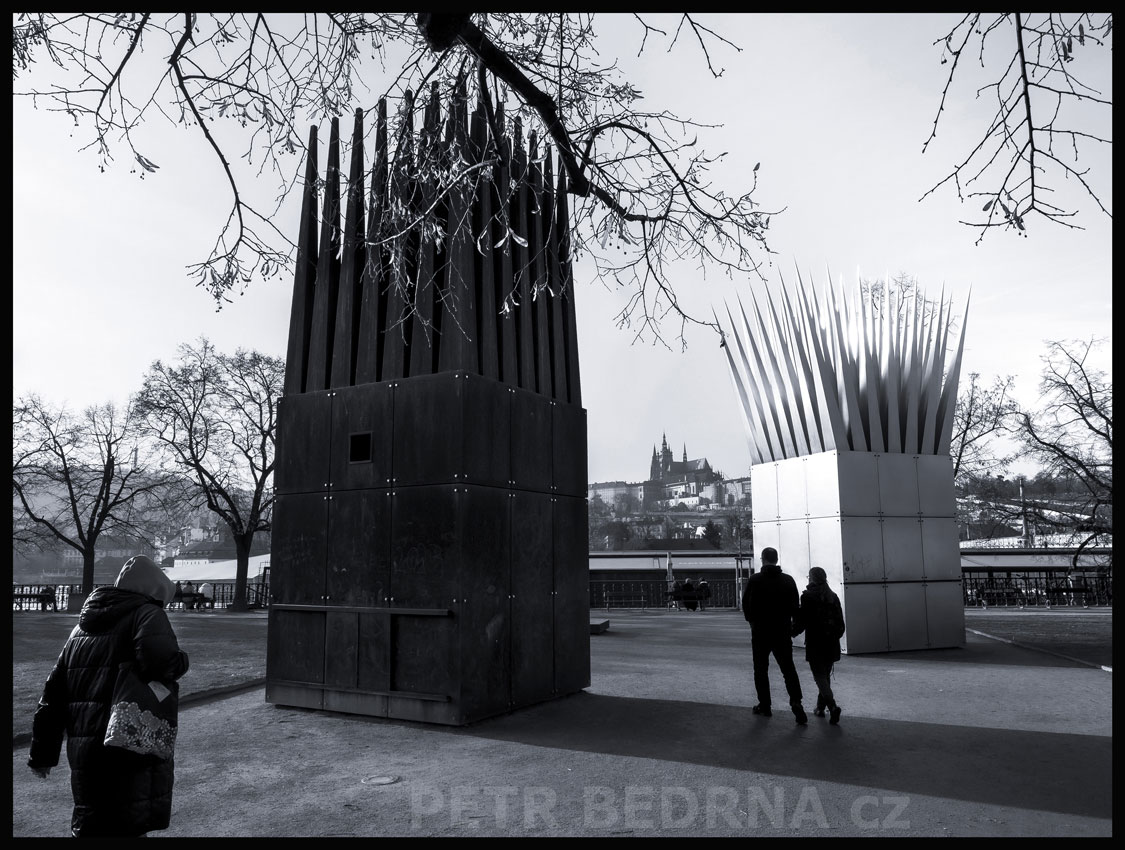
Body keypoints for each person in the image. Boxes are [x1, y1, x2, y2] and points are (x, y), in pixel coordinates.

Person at [27, 554, 190, 837]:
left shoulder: (80, 629)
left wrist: (42, 754)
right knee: (128, 818)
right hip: (126, 736)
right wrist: (182, 661)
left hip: (84, 743)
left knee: (93, 818)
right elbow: (162, 663)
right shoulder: (147, 614)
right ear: (154, 592)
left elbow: (53, 693)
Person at [741, 546, 807, 724]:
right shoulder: (788, 580)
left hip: (761, 632)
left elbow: (746, 604)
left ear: (763, 559)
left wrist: (753, 623)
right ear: (776, 559)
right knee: (788, 669)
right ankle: (796, 702)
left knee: (761, 670)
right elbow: (795, 608)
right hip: (782, 631)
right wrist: (794, 629)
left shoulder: (755, 580)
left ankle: (765, 705)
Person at [792, 566, 845, 724]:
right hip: (831, 643)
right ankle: (820, 708)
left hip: (815, 643)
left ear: (811, 578)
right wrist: (833, 636)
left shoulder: (808, 596)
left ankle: (833, 706)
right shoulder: (833, 596)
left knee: (819, 677)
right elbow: (840, 623)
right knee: (825, 676)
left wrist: (792, 632)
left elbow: (803, 620)